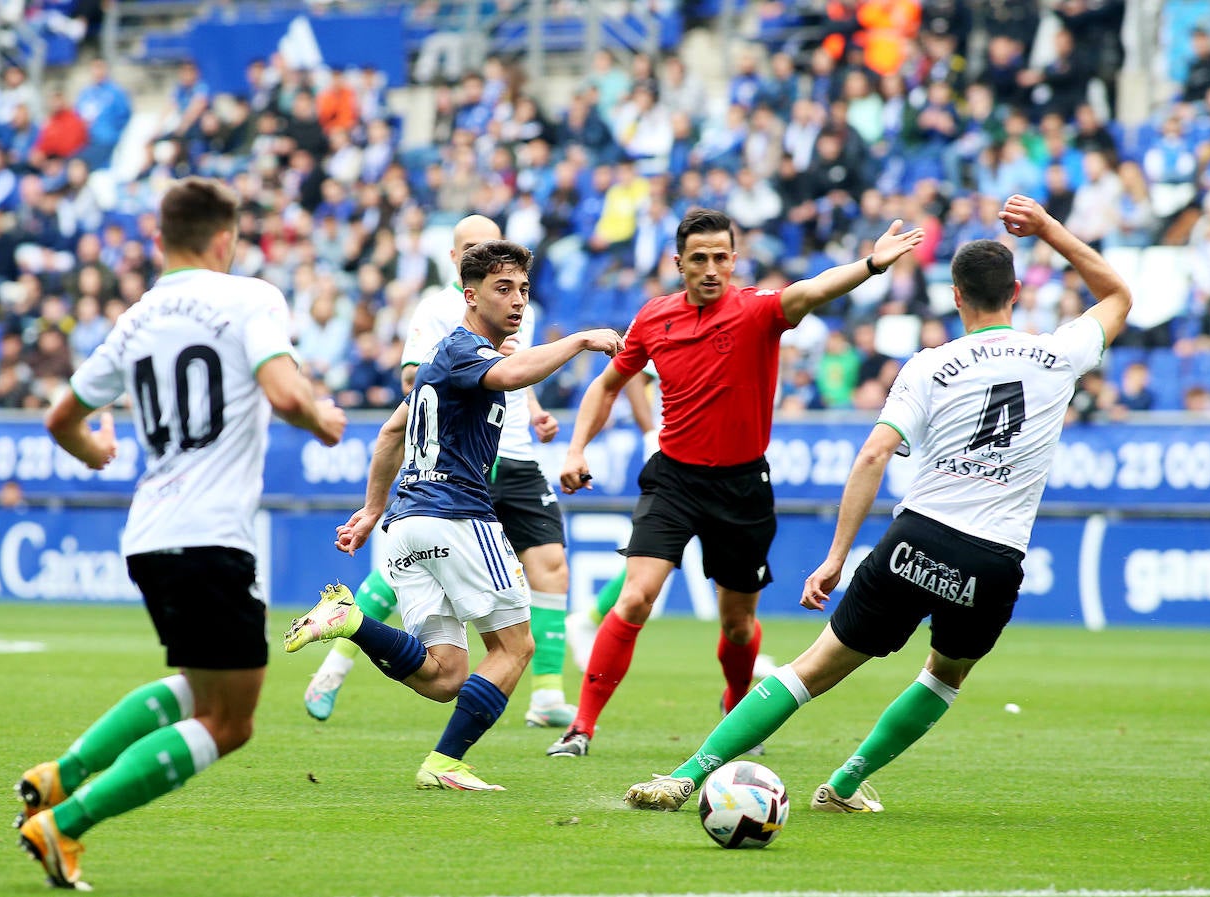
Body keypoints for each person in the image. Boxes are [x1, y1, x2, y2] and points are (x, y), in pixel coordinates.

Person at [623, 194, 1131, 812]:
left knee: (811, 669)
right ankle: (843, 785)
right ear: (1017, 292)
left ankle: (686, 775)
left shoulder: (930, 365)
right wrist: (1047, 227)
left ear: (955, 296)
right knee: (945, 676)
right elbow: (1117, 295)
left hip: (917, 538)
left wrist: (837, 557)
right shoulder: (1059, 355)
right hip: (995, 557)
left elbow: (873, 456)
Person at [14, 177, 347, 888]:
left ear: (160, 239)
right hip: (211, 537)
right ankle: (64, 824)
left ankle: (59, 776)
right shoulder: (251, 297)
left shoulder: (134, 319)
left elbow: (60, 419)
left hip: (149, 535)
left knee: (200, 689)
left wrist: (95, 453)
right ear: (225, 238)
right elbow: (286, 392)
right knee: (232, 721)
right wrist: (321, 418)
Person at [546, 206, 925, 758]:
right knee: (634, 599)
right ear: (678, 263)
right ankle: (580, 728)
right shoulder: (654, 318)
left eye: (720, 257)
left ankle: (735, 706)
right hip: (673, 480)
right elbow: (608, 385)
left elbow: (813, 289)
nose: (710, 268)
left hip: (742, 488)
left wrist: (870, 264)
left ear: (733, 260)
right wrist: (576, 448)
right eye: (698, 258)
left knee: (740, 625)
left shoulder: (758, 311)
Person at [284, 240, 622, 791]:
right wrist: (580, 340)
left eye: (523, 290)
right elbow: (511, 376)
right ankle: (445, 761)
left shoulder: (443, 363)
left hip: (406, 527)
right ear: (470, 295)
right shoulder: (466, 351)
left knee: (445, 676)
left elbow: (391, 433)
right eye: (503, 289)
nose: (518, 301)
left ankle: (351, 622)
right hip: (458, 517)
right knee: (515, 647)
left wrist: (372, 510)